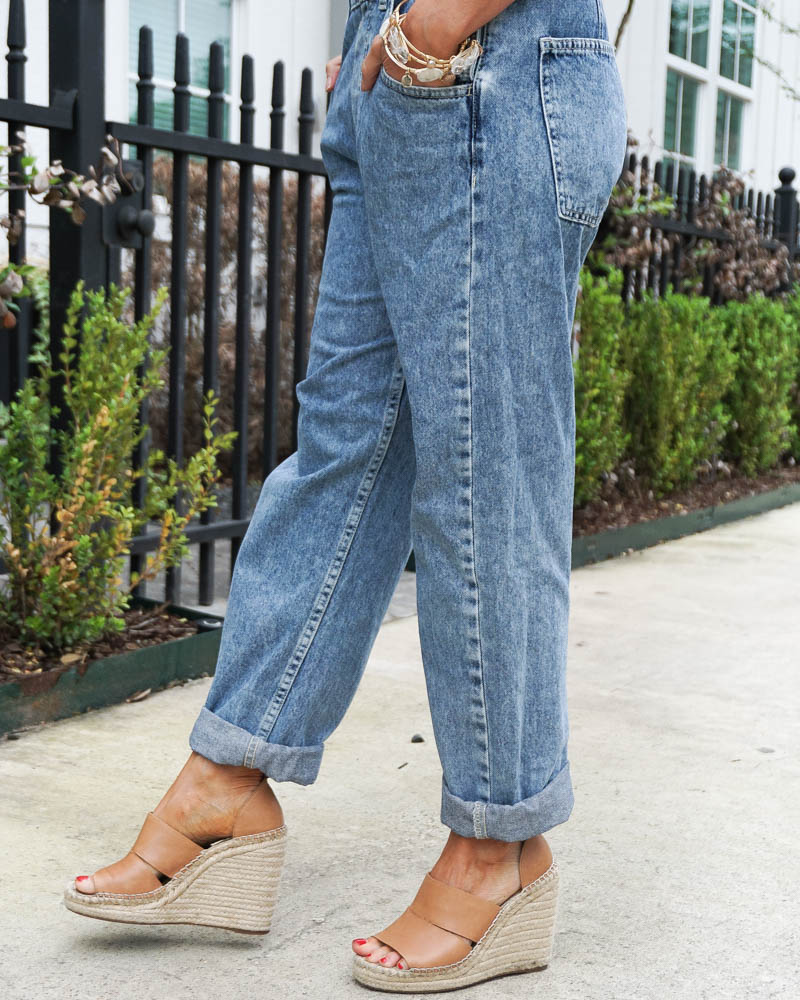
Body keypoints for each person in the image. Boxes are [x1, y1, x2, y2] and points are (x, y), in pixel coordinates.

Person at [63, 0, 627, 991]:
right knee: (344, 449)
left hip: (489, 72)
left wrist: (443, 18)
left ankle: (498, 847)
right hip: (408, 79)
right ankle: (227, 782)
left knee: (483, 479)